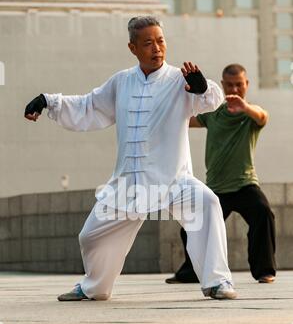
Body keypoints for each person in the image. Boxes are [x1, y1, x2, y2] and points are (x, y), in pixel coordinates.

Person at [25, 16, 237, 301]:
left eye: (160, 41)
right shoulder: (121, 82)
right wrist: (48, 100)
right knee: (90, 236)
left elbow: (211, 101)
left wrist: (202, 88)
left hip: (173, 180)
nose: (157, 48)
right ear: (133, 47)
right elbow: (89, 106)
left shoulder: (179, 80)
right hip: (128, 184)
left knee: (208, 203)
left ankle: (216, 282)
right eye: (148, 43)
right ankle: (95, 287)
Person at [166, 64, 276, 285]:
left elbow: (263, 116)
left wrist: (245, 107)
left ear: (246, 85)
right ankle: (191, 272)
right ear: (223, 85)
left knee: (263, 214)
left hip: (245, 184)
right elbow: (187, 121)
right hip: (217, 186)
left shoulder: (250, 115)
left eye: (239, 84)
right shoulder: (214, 113)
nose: (235, 88)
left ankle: (264, 271)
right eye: (230, 84)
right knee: (191, 225)